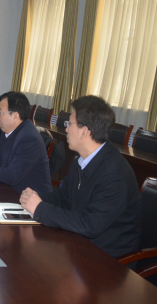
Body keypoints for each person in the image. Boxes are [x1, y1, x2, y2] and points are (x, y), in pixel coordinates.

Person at [20, 96, 141, 258]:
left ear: (84, 132)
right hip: (79, 244)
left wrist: (40, 209)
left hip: (107, 259)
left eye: (69, 124)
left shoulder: (114, 174)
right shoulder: (82, 160)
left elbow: (90, 225)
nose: (66, 129)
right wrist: (36, 198)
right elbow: (64, 198)